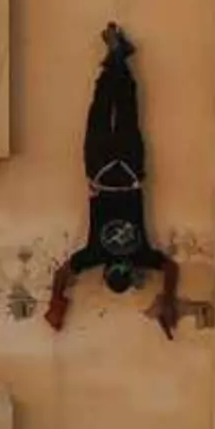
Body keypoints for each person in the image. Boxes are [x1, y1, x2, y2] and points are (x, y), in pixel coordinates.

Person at [46, 24, 182, 338]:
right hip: (100, 172)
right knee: (101, 111)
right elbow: (63, 272)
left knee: (125, 112)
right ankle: (115, 59)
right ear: (107, 273)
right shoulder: (96, 253)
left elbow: (171, 268)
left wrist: (168, 299)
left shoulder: (140, 255)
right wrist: (56, 303)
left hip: (131, 171)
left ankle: (119, 59)